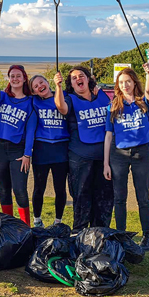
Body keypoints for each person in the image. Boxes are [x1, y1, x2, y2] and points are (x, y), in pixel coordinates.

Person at [53, 66, 114, 233]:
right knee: (81, 197)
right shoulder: (70, 99)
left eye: (81, 76)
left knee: (104, 197)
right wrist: (57, 86)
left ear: (88, 79)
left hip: (105, 157)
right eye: (74, 78)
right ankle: (79, 233)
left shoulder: (102, 96)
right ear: (71, 84)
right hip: (80, 157)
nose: (78, 79)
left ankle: (100, 233)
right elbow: (61, 108)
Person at [103, 64, 149, 251]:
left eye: (128, 82)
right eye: (121, 82)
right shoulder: (113, 105)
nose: (125, 85)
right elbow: (108, 136)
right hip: (119, 155)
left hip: (141, 154)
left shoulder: (143, 102)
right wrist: (105, 164)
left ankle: (147, 236)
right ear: (118, 85)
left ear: (134, 83)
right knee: (119, 198)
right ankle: (121, 235)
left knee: (143, 197)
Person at [0, 64, 36, 225]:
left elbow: (31, 130)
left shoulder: (30, 102)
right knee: (4, 189)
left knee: (19, 190)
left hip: (18, 150)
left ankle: (25, 226)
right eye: (12, 76)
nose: (15, 79)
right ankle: (9, 225)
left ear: (24, 78)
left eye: (18, 75)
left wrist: (27, 154)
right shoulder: (1, 96)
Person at [29, 74, 69, 228]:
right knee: (39, 186)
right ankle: (37, 220)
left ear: (48, 82)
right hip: (42, 149)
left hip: (61, 148)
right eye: (36, 87)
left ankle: (58, 221)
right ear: (34, 92)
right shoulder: (34, 102)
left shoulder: (64, 96)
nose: (40, 86)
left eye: (41, 82)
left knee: (60, 187)